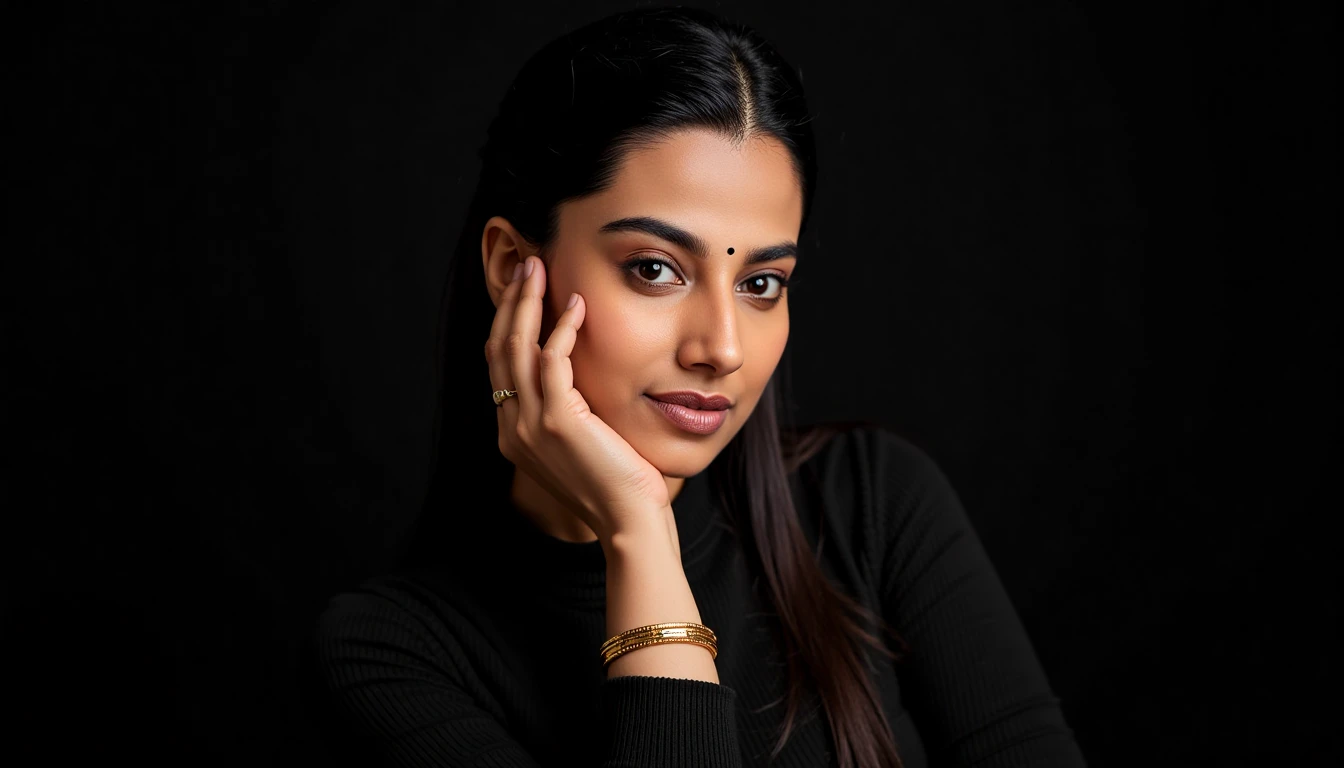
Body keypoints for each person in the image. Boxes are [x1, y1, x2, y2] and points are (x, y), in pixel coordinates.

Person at [309, 6, 1088, 767]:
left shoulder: (872, 507)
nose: (721, 348)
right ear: (516, 267)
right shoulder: (392, 656)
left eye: (761, 283)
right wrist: (639, 538)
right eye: (655, 269)